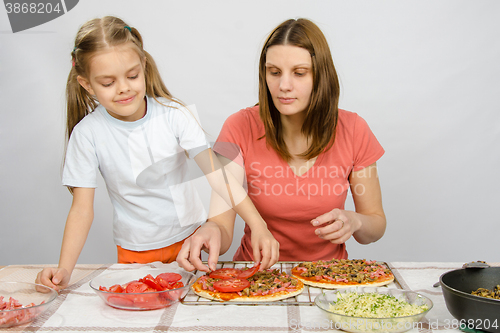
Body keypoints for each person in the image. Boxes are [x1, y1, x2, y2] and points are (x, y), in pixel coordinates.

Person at [36, 16, 278, 291]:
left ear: (144, 67)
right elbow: (81, 210)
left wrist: (258, 225)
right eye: (107, 83)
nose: (124, 88)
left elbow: (219, 176)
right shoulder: (87, 134)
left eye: (132, 75)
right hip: (134, 253)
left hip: (189, 246)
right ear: (87, 85)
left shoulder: (174, 116)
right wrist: (64, 269)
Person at [177, 18, 386, 272]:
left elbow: (375, 227)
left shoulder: (354, 129)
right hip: (257, 276)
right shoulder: (239, 127)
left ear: (321, 76)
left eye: (299, 73)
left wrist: (355, 222)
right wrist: (210, 230)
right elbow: (222, 224)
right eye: (274, 72)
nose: (283, 86)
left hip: (328, 278)